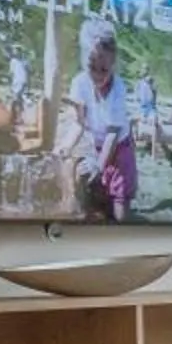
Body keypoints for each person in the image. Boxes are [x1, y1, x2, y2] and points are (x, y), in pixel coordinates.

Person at [65, 16, 135, 220]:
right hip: (97, 145)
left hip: (120, 147)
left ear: (113, 61)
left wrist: (99, 164)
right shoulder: (79, 83)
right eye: (91, 68)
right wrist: (65, 147)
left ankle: (122, 224)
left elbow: (113, 133)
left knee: (120, 192)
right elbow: (79, 124)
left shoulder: (118, 88)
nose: (97, 75)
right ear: (83, 61)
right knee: (94, 184)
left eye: (103, 69)